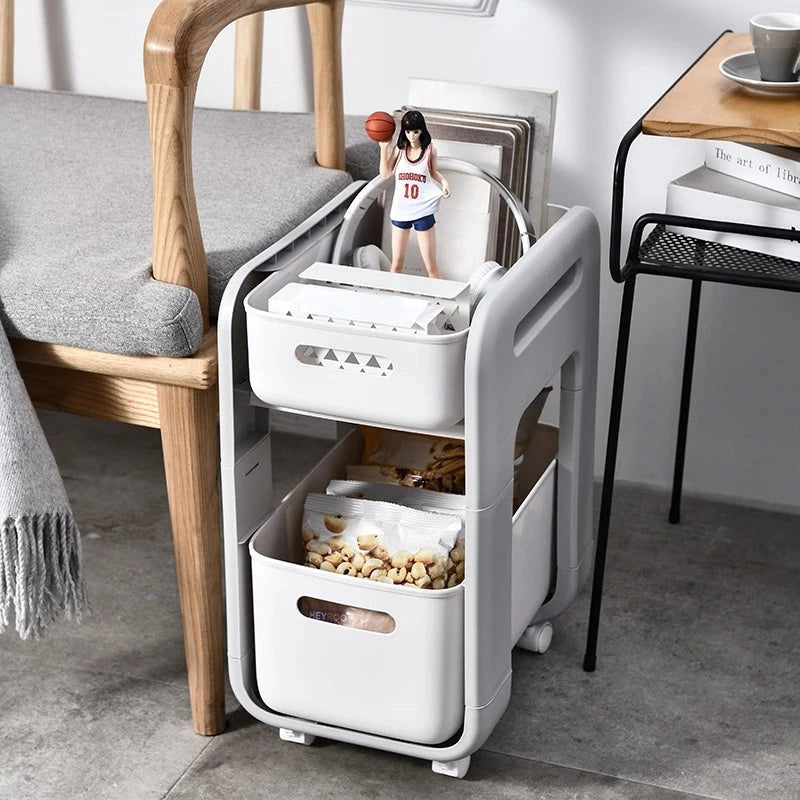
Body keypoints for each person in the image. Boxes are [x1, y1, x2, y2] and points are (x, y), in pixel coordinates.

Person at [379, 109, 451, 279]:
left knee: (431, 266)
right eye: (408, 131)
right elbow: (385, 174)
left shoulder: (430, 150)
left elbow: (433, 172)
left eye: (416, 131)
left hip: (422, 209)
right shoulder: (399, 150)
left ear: (422, 131)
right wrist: (384, 148)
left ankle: (441, 296)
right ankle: (391, 294)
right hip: (402, 209)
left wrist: (444, 182)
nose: (412, 136)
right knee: (396, 264)